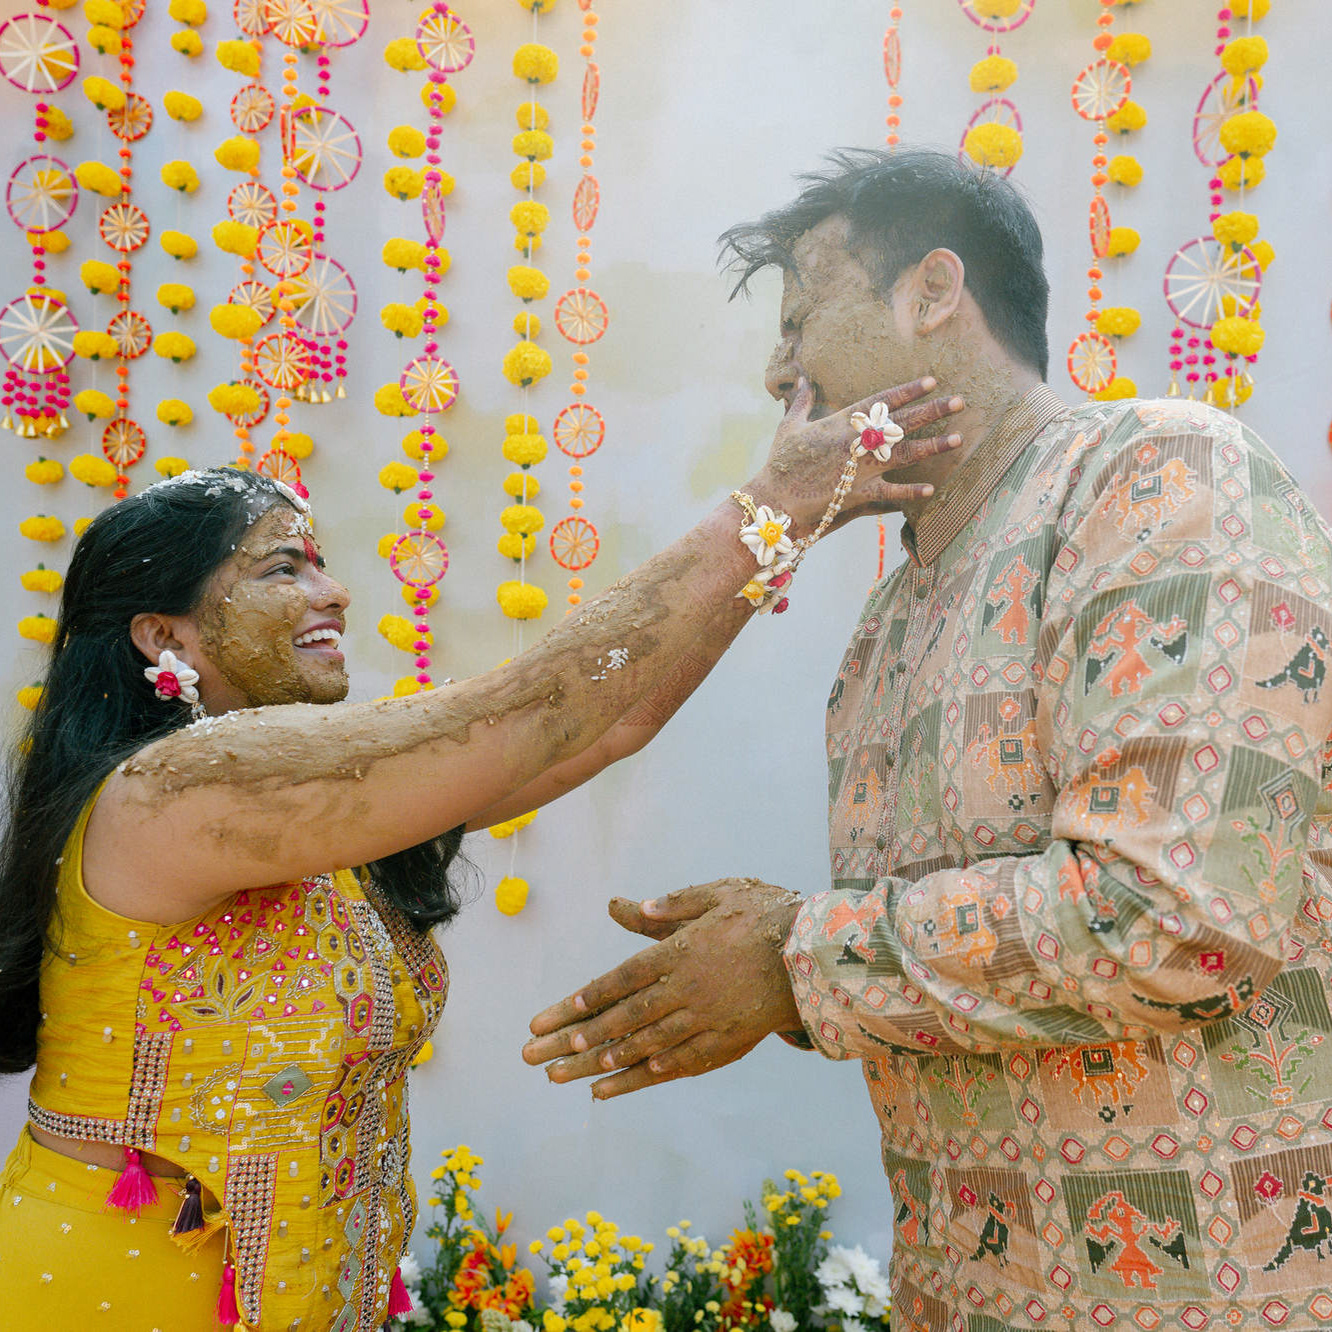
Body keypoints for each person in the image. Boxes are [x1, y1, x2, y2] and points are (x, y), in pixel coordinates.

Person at [523, 146, 1332, 1330]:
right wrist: (777, 965)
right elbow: (957, 976)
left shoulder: (1156, 471)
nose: (777, 372)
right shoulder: (889, 618)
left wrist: (793, 960)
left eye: (801, 320)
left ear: (933, 292)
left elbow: (1174, 920)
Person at [0, 376, 961, 1330]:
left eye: (320, 564)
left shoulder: (313, 810)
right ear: (162, 634)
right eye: (283, 569)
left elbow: (607, 726)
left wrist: (792, 525)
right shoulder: (168, 793)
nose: (335, 593)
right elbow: (537, 707)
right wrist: (770, 503)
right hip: (115, 1291)